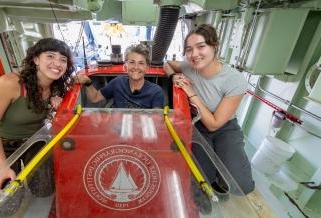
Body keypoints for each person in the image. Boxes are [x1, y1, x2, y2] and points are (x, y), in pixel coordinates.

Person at [164, 24, 274, 217]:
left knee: (241, 185)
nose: (194, 54)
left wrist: (191, 93)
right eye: (189, 49)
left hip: (224, 128)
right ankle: (212, 180)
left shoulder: (234, 80)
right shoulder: (188, 67)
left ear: (215, 46)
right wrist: (174, 76)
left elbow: (214, 123)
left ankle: (222, 179)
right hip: (198, 127)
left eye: (201, 46)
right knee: (198, 182)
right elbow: (168, 63)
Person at [0, 38, 74, 196]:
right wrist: (3, 168)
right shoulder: (9, 84)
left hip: (35, 142)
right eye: (50, 56)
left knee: (44, 190)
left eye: (63, 59)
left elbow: (74, 83)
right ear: (36, 59)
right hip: (4, 145)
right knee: (0, 201)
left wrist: (60, 94)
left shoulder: (56, 86)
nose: (57, 63)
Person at [75, 44, 164, 108]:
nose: (136, 67)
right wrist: (87, 82)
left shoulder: (156, 92)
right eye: (132, 62)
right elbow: (94, 98)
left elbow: (155, 121)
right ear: (126, 66)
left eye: (141, 63)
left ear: (147, 67)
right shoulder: (118, 82)